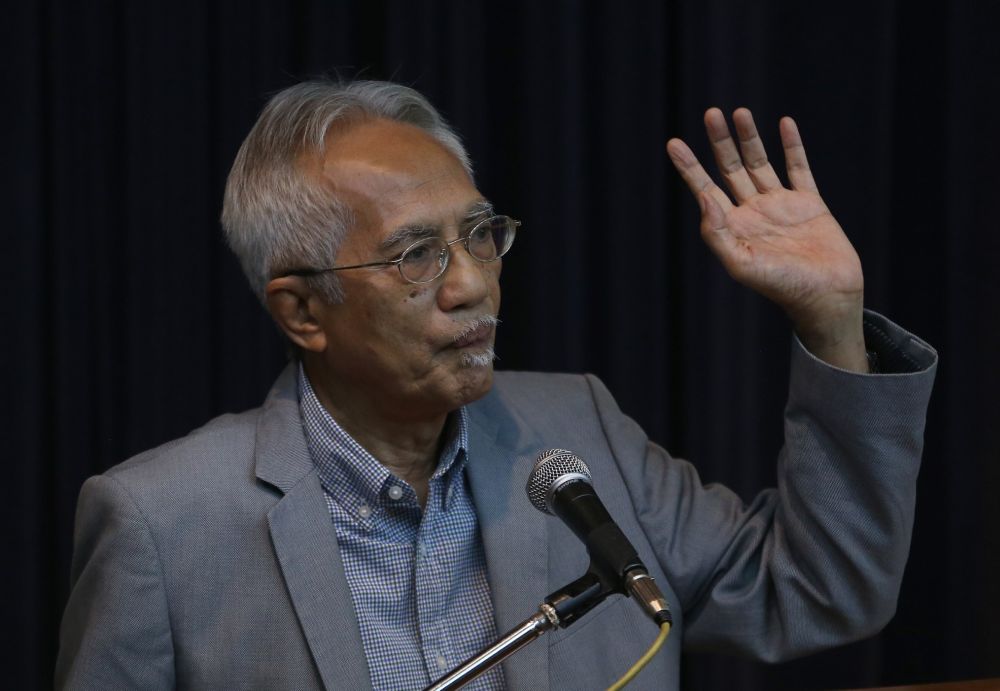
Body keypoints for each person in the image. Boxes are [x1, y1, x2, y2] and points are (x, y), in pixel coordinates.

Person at [55, 80, 937, 690]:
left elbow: (823, 588)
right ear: (302, 310)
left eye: (480, 234)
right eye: (414, 255)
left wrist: (832, 320)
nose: (471, 282)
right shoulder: (162, 524)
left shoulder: (577, 435)